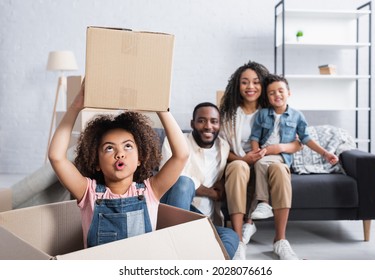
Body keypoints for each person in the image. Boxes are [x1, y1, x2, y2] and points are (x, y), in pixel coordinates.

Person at [48, 80, 189, 249]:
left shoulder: (150, 191)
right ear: (96, 162)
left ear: (139, 159)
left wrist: (160, 107)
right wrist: (75, 106)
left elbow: (181, 155)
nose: (120, 153)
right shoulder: (88, 193)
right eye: (109, 148)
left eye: (128, 146)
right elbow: (56, 156)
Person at [219, 61, 302, 260]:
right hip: (240, 162)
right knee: (238, 167)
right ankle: (238, 241)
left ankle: (280, 241)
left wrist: (278, 148)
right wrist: (242, 158)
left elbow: (297, 144)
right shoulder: (229, 115)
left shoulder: (274, 110)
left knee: (280, 169)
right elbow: (221, 148)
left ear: (263, 86)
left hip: (268, 162)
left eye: (256, 82)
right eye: (245, 82)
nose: (250, 87)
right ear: (237, 86)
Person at [250, 74, 339, 220]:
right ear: (267, 96)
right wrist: (255, 153)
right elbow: (254, 137)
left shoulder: (297, 116)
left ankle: (264, 203)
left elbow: (306, 139)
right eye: (271, 93)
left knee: (262, 163)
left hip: (282, 156)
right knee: (260, 162)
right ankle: (259, 209)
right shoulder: (263, 114)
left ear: (288, 93)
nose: (276, 95)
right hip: (263, 153)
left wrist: (325, 153)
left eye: (280, 91)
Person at [159, 102, 239, 260]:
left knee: (231, 236)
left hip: (204, 219)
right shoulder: (176, 141)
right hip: (175, 210)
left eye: (214, 121)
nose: (208, 126)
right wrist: (210, 192)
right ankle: (177, 251)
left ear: (219, 124)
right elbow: (170, 178)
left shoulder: (223, 146)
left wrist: (222, 182)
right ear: (192, 123)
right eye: (202, 120)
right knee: (183, 182)